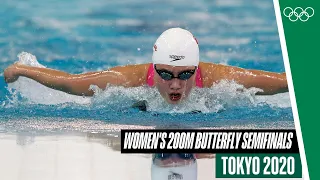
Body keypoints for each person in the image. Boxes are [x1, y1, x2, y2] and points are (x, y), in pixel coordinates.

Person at [4, 28, 288, 104]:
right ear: (155, 70)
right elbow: (70, 81)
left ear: (196, 70)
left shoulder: (220, 79)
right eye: (165, 74)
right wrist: (21, 70)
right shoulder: (129, 80)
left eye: (184, 75)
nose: (175, 83)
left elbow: (286, 80)